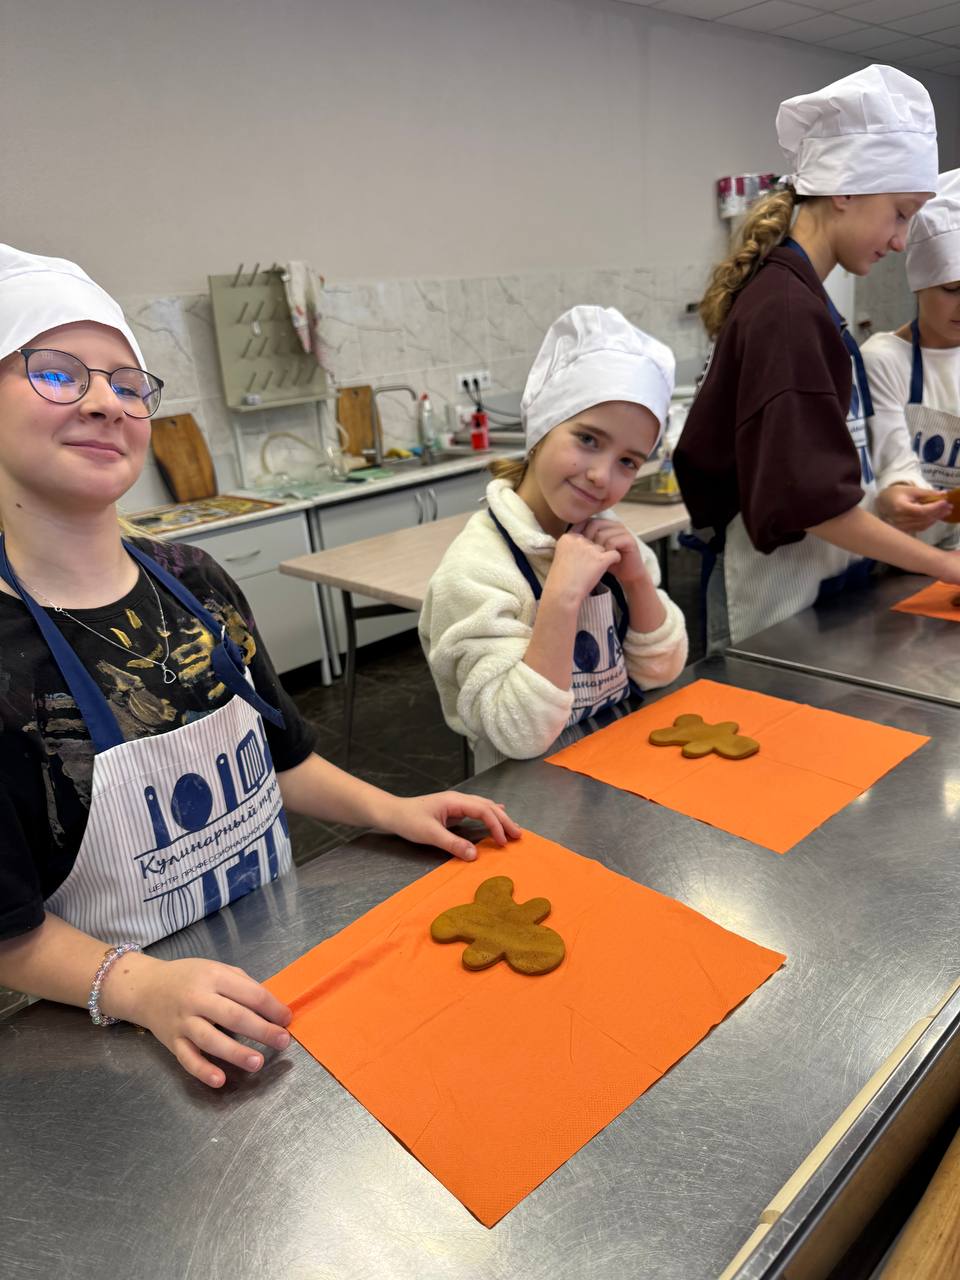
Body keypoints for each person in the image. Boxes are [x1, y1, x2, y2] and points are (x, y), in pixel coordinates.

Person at [0, 244, 519, 1089]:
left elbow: (281, 759)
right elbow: (8, 930)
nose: (104, 402)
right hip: (126, 1040)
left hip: (283, 965)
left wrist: (391, 809)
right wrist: (143, 989)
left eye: (127, 384)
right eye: (56, 374)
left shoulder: (195, 581)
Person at [673, 65, 960, 650]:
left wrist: (885, 494)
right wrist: (949, 567)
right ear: (846, 190)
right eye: (901, 212)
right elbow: (813, 503)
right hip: (769, 601)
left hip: (812, 594)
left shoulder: (801, 298)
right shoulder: (787, 311)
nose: (901, 240)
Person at [420, 305, 688, 773]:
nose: (601, 475)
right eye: (588, 439)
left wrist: (637, 581)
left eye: (628, 461)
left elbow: (661, 670)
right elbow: (516, 732)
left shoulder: (610, 539)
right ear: (541, 429)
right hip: (531, 797)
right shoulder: (475, 571)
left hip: (620, 767)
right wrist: (562, 597)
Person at [861, 168, 960, 547]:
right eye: (952, 289)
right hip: (893, 554)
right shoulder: (882, 360)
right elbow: (894, 463)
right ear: (919, 284)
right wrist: (899, 489)